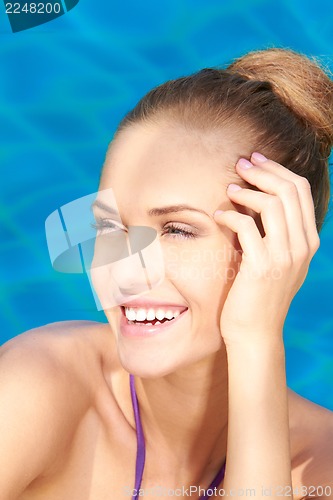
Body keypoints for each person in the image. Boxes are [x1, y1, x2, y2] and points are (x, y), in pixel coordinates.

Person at [1, 47, 333, 499]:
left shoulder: (319, 463)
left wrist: (256, 341)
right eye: (109, 225)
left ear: (276, 248)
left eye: (177, 229)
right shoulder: (37, 387)